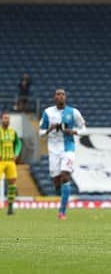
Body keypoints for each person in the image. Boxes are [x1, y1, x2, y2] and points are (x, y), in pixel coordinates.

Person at [39, 89, 86, 220]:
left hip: (68, 148)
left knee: (65, 176)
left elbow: (83, 128)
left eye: (63, 94)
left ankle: (62, 211)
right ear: (54, 97)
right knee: (56, 180)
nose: (60, 96)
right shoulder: (48, 112)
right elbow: (40, 132)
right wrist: (50, 128)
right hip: (53, 149)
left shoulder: (73, 112)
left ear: (65, 97)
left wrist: (74, 131)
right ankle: (63, 198)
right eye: (58, 94)